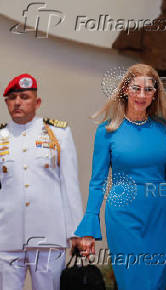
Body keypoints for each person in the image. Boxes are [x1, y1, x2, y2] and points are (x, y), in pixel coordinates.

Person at [75, 64, 166, 290]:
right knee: (133, 282)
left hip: (161, 216)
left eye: (148, 90)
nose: (142, 95)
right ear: (125, 89)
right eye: (136, 88)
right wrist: (88, 228)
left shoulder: (164, 130)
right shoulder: (108, 131)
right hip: (123, 214)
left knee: (156, 283)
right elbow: (98, 182)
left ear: (155, 94)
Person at [0, 73, 83, 290]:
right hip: (7, 236)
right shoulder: (1, 137)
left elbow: (69, 185)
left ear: (37, 102)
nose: (18, 102)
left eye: (24, 97)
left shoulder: (58, 133)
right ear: (6, 102)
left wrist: (76, 232)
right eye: (13, 97)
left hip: (48, 236)